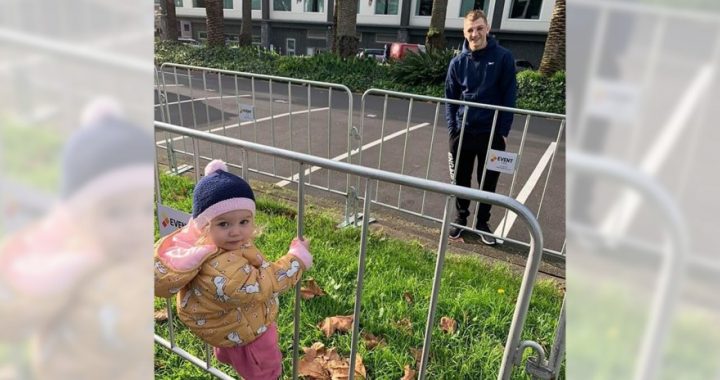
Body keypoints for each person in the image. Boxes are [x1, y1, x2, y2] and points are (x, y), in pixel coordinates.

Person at [154, 159, 313, 380]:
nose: (236, 232)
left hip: (228, 322)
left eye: (244, 221)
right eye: (224, 224)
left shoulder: (216, 246)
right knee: (266, 370)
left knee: (238, 353)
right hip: (247, 334)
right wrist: (297, 258)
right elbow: (262, 284)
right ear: (204, 226)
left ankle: (227, 353)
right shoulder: (221, 269)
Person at [445, 9, 517, 245]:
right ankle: (460, 220)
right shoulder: (457, 62)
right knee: (461, 180)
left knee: (488, 182)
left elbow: (509, 97)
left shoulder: (503, 58)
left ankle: (483, 223)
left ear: (487, 29)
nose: (474, 34)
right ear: (464, 33)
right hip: (463, 133)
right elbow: (450, 98)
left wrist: (503, 132)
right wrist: (453, 130)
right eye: (470, 30)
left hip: (492, 134)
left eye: (479, 28)